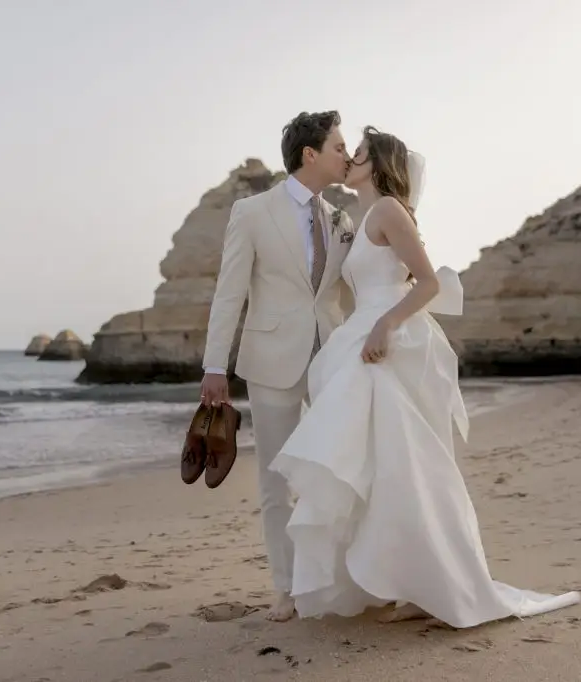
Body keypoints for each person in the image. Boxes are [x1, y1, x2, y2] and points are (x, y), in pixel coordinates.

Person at [266, 126, 581, 627]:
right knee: (381, 466)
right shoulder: (358, 217)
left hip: (393, 343)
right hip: (364, 339)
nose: (350, 159)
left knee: (408, 462)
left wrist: (384, 326)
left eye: (360, 154)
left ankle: (437, 584)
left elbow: (430, 282)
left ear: (380, 165)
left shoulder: (389, 211)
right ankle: (407, 582)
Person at [200, 110, 354, 622]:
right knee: (274, 482)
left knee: (341, 470)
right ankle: (286, 589)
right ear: (309, 154)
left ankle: (342, 576)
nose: (347, 154)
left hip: (331, 359)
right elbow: (230, 294)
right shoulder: (252, 212)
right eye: (338, 145)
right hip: (270, 361)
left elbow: (350, 292)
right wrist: (214, 366)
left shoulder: (342, 219)